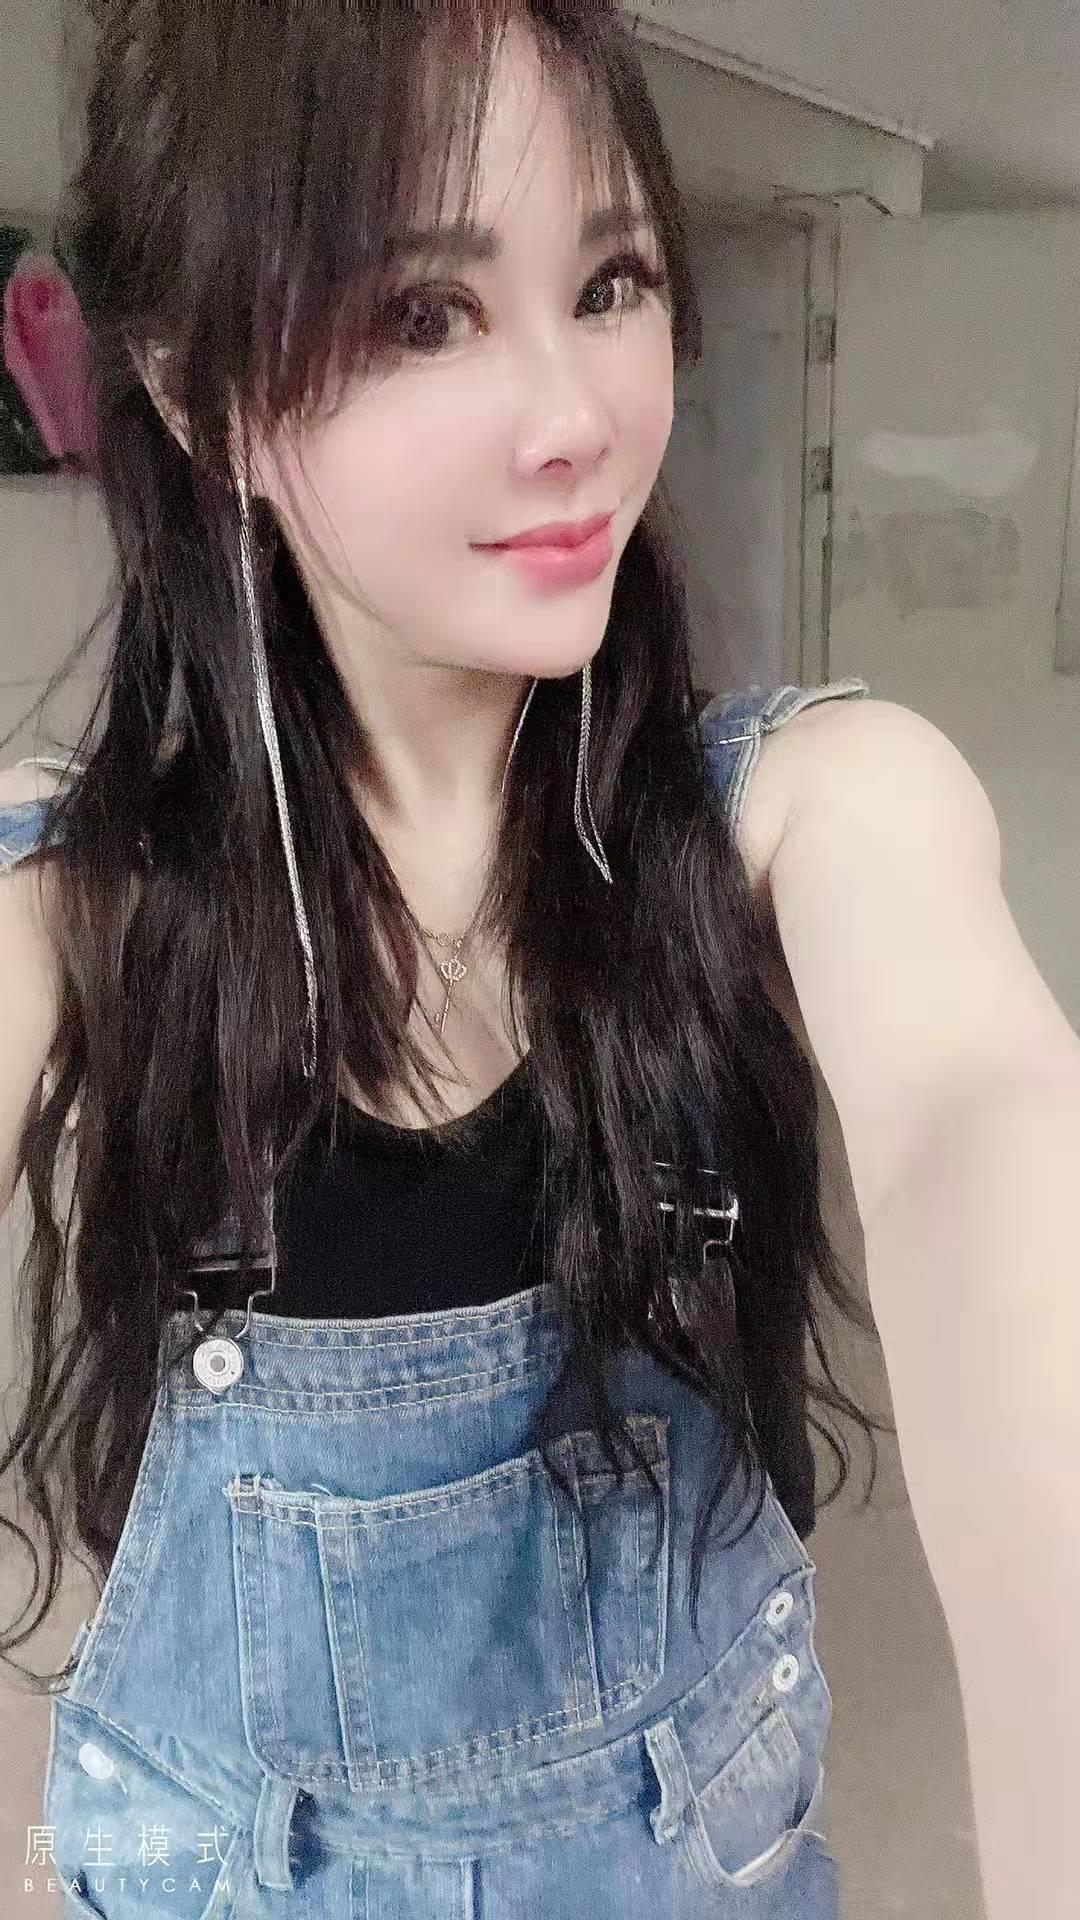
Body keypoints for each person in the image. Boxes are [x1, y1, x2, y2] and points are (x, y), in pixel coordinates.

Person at [0, 4, 894, 1913]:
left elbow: (995, 1123)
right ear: (197, 389)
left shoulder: (804, 812)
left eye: (611, 281)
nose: (575, 417)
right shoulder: (75, 896)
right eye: (425, 313)